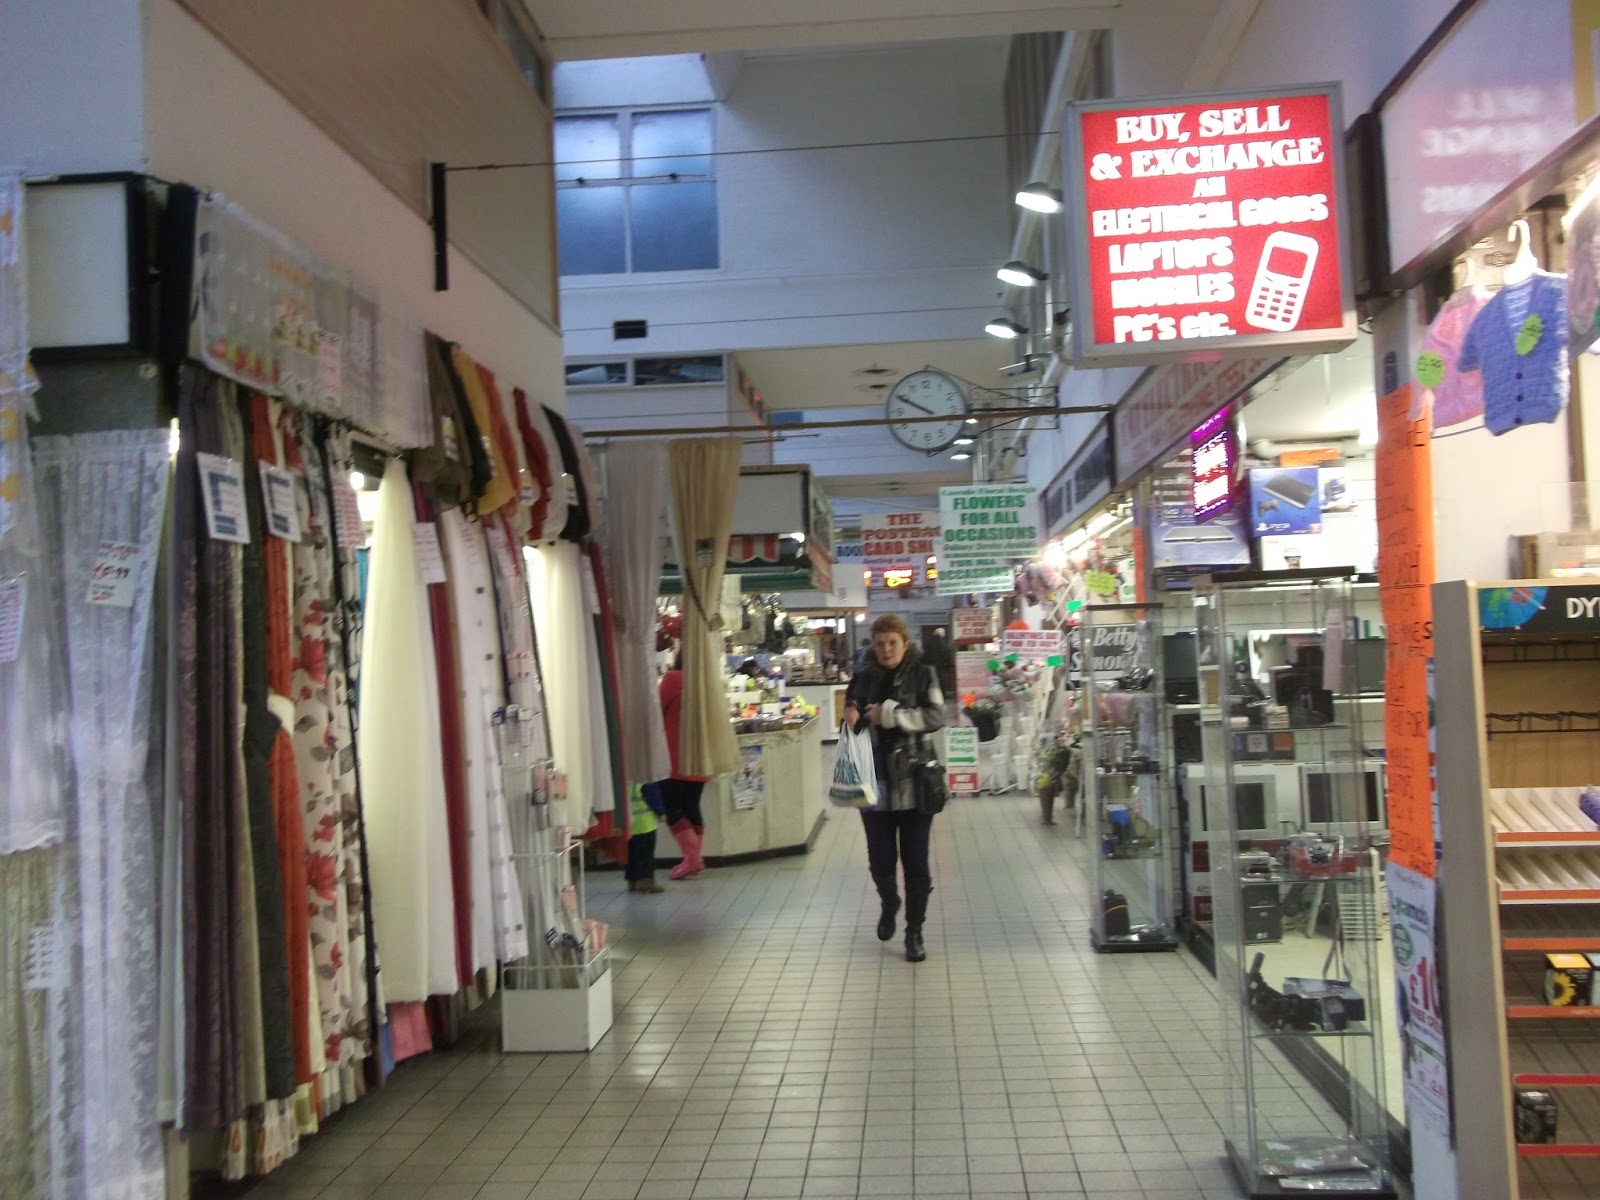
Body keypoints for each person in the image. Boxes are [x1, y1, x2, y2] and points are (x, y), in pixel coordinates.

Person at [844, 614, 947, 962]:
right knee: (880, 860)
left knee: (916, 863)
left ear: (905, 643)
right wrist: (852, 717)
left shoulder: (923, 673)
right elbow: (852, 715)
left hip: (916, 783)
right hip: (874, 782)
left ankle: (914, 931)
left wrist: (890, 716)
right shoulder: (862, 677)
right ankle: (890, 902)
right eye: (880, 644)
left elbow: (936, 716)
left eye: (892, 643)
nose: (886, 649)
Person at [658, 656, 708, 879]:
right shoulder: (706, 681)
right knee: (691, 806)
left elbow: (656, 709)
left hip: (675, 752)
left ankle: (692, 859)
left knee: (673, 808)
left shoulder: (673, 678)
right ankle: (694, 859)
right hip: (701, 754)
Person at [625, 783, 664, 893]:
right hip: (645, 825)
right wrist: (661, 812)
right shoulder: (646, 780)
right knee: (646, 855)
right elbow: (653, 797)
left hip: (630, 825)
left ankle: (632, 880)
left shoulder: (626, 780)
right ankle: (646, 881)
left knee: (631, 854)